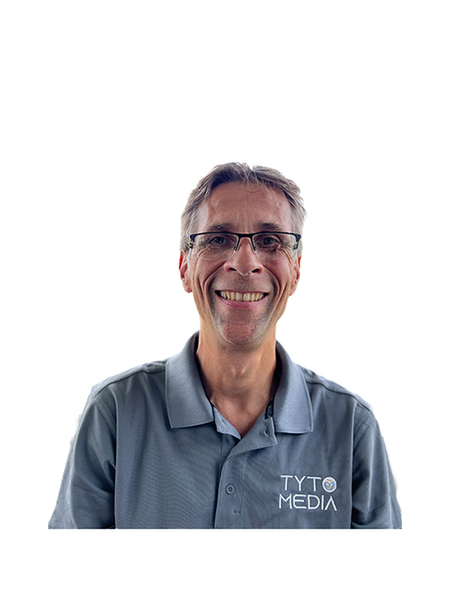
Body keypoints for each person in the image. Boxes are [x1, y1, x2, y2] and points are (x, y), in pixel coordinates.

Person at [49, 162, 401, 529]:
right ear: (185, 267)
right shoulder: (115, 414)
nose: (245, 263)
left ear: (296, 269)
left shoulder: (351, 429)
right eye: (218, 239)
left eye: (270, 241)